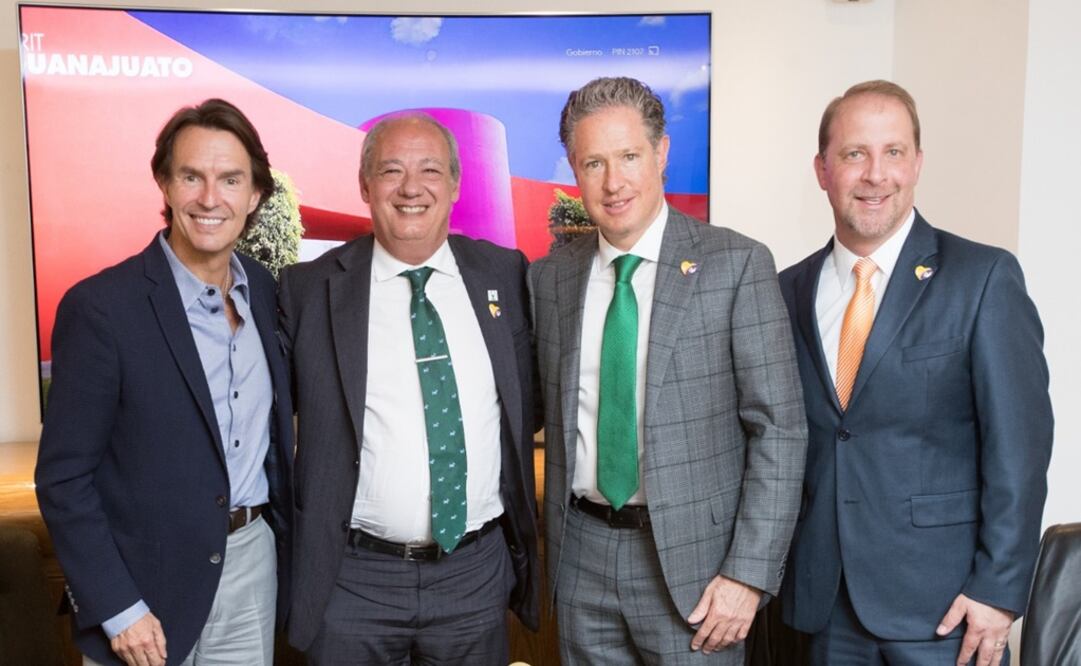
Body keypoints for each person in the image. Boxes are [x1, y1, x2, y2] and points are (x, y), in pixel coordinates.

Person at [530, 76, 807, 664]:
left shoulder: (736, 264)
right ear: (575, 173)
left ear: (661, 154)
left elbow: (779, 429)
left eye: (629, 156)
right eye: (593, 162)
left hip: (698, 569)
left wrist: (749, 575)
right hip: (579, 556)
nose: (613, 181)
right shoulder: (549, 278)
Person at [778, 80, 1054, 665]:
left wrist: (998, 593)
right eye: (854, 154)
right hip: (823, 609)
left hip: (947, 614)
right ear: (823, 170)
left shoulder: (982, 280)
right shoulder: (786, 292)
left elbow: (1020, 450)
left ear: (918, 164)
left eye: (894, 152)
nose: (876, 174)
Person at [35, 98, 294, 666]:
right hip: (141, 585)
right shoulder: (101, 308)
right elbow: (63, 478)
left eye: (230, 179)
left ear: (254, 196)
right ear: (165, 184)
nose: (210, 197)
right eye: (191, 176)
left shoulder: (269, 291)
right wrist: (117, 606)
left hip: (251, 568)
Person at [280, 113, 539, 665]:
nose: (411, 188)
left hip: (473, 573)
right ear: (365, 184)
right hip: (353, 579)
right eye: (391, 170)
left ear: (455, 184)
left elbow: (528, 405)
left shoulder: (506, 275)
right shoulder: (307, 290)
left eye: (429, 170)